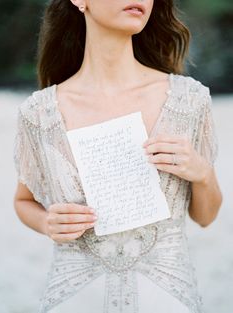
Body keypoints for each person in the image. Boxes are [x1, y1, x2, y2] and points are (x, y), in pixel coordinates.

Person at [13, 0, 222, 312]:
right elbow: (23, 201)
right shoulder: (38, 113)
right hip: (76, 300)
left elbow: (205, 217)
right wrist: (46, 223)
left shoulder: (189, 100)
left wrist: (202, 172)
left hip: (166, 300)